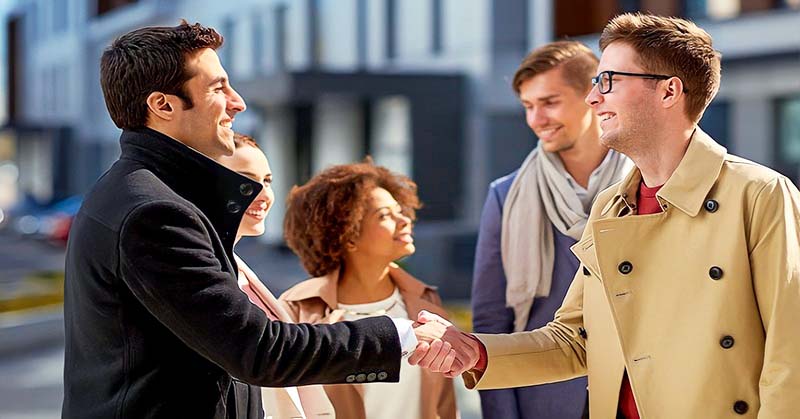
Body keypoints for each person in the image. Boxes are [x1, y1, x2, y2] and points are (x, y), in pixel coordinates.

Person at [412, 13, 800, 419]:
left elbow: (790, 352)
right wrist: (473, 350)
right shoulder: (613, 205)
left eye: (609, 81)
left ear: (669, 92)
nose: (594, 97)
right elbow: (576, 339)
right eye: (596, 82)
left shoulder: (759, 194)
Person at [62, 21, 452, 418]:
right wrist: (400, 332)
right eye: (218, 88)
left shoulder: (143, 193)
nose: (238, 102)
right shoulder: (155, 213)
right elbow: (259, 351)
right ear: (163, 106)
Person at [471, 40, 631, 419]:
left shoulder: (647, 184)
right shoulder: (506, 196)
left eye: (549, 102)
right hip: (544, 401)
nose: (536, 119)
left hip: (638, 393)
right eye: (528, 106)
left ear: (592, 97)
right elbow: (491, 322)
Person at [279, 160, 458, 419]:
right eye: (385, 215)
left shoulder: (425, 302)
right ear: (348, 234)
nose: (404, 220)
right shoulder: (299, 309)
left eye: (400, 210)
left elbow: (445, 405)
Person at [217, 133, 335, 419]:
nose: (262, 194)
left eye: (267, 181)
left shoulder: (240, 269)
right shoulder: (203, 273)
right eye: (244, 179)